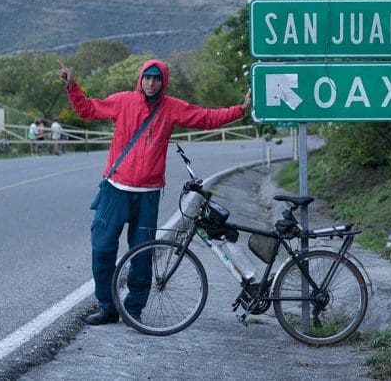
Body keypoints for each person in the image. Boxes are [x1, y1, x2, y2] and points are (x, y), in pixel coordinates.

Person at [58, 59, 250, 325]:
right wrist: (72, 86)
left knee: (142, 253)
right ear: (140, 79)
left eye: (156, 79)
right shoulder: (123, 101)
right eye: (147, 78)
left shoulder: (172, 108)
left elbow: (206, 117)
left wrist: (239, 110)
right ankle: (108, 307)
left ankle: (134, 309)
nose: (151, 83)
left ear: (163, 82)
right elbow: (89, 110)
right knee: (102, 248)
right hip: (115, 190)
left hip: (147, 194)